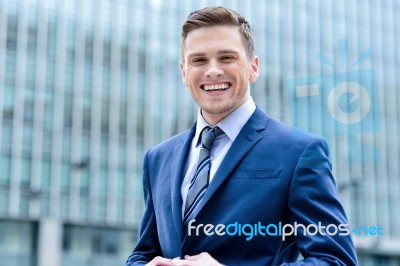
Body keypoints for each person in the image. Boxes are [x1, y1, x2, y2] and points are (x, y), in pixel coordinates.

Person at [126, 6, 358, 266]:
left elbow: (336, 260)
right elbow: (142, 253)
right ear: (184, 72)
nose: (212, 71)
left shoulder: (300, 152)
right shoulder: (158, 158)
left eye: (226, 57)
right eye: (199, 60)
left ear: (253, 68)